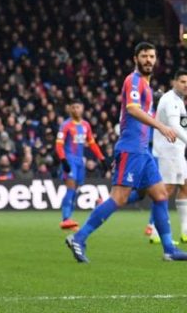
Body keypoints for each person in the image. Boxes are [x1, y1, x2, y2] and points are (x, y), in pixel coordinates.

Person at [66, 42, 187, 262]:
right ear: (135, 58)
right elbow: (132, 109)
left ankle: (169, 249)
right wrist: (160, 126)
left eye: (152, 56)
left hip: (143, 151)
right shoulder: (133, 80)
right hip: (131, 149)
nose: (148, 60)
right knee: (119, 198)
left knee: (160, 195)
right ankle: (79, 238)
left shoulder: (146, 86)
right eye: (144, 56)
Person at [146, 69, 187, 244]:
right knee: (166, 191)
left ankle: (185, 230)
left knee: (185, 187)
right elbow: (174, 127)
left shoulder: (179, 101)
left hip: (177, 151)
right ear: (174, 82)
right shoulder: (170, 100)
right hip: (167, 152)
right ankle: (155, 230)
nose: (186, 85)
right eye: (183, 81)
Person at [55, 100, 106, 230]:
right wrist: (63, 160)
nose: (76, 110)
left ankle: (69, 220)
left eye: (78, 107)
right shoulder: (65, 125)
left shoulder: (86, 125)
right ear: (70, 109)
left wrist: (102, 158)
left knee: (75, 190)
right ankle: (65, 218)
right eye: (73, 107)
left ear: (82, 108)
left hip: (80, 161)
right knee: (70, 188)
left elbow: (92, 143)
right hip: (69, 160)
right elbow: (59, 144)